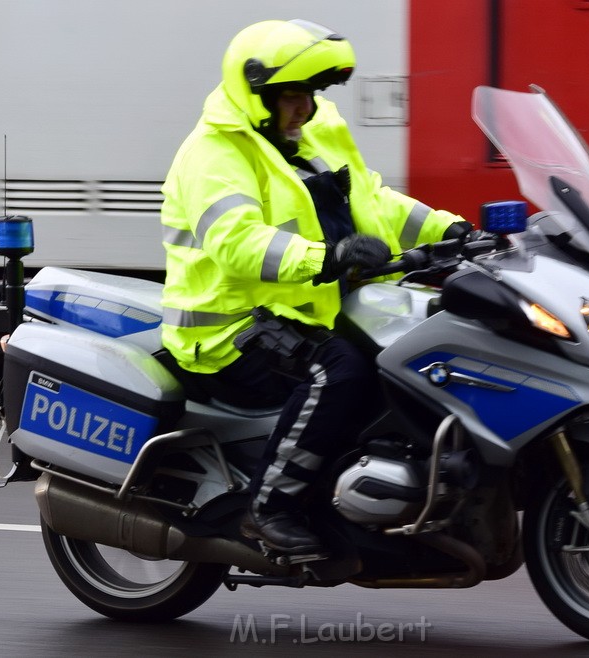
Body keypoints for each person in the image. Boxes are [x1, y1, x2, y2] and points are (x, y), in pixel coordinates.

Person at [160, 19, 471, 556]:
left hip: (300, 310)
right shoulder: (213, 154)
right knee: (340, 371)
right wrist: (332, 256)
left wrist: (455, 230)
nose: (305, 107)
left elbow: (375, 200)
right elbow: (238, 243)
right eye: (293, 95)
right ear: (256, 91)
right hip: (230, 328)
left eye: (311, 93)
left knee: (407, 359)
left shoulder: (307, 133)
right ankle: (269, 508)